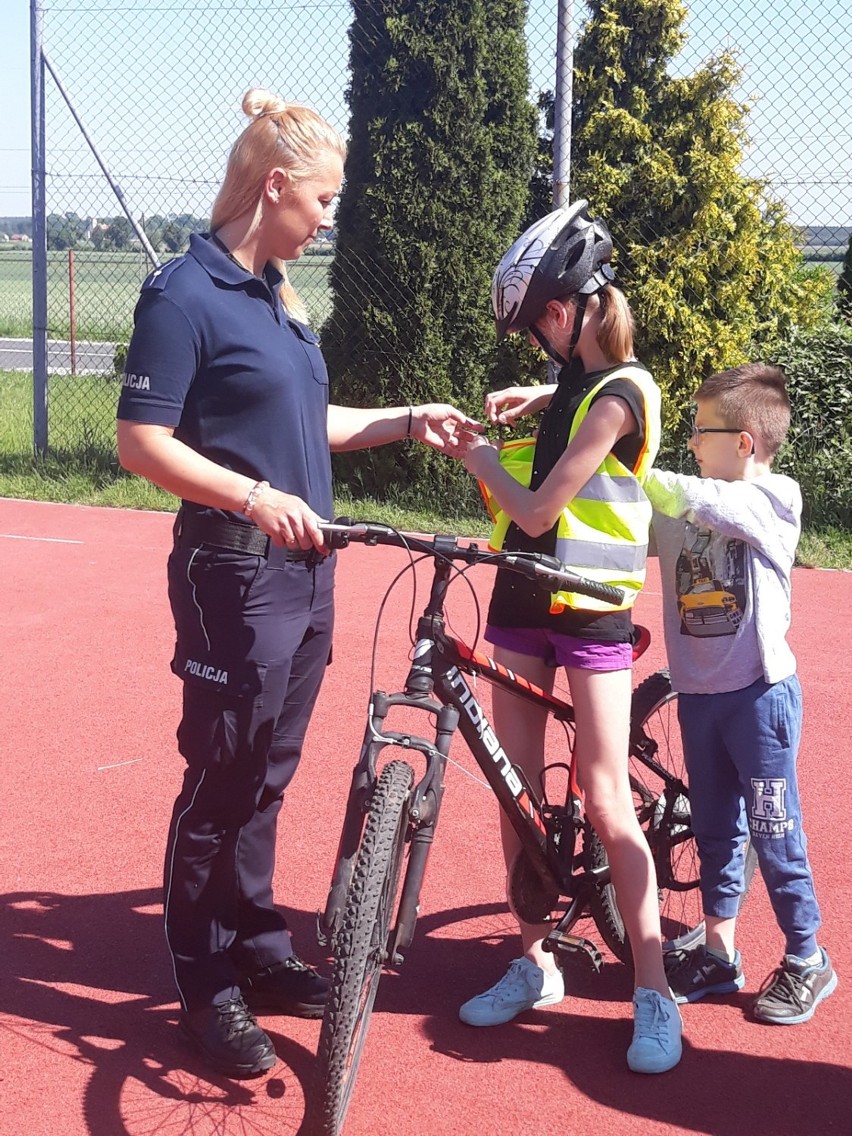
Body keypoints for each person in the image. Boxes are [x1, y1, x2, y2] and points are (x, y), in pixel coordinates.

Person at [116, 88, 479, 1079]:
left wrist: (412, 417)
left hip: (308, 574)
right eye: (321, 198)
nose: (328, 216)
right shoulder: (182, 294)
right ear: (274, 185)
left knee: (269, 773)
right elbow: (141, 441)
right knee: (223, 773)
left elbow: (302, 424)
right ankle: (204, 975)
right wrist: (250, 496)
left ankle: (259, 945)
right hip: (233, 572)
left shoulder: (281, 297)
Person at [452, 201, 682, 1074]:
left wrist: (476, 454)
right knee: (515, 788)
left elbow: (544, 505)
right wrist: (539, 393)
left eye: (537, 328)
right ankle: (533, 961)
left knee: (601, 789)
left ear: (565, 312)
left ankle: (654, 989)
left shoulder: (627, 392)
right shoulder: (578, 384)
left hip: (590, 609)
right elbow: (575, 395)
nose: (536, 344)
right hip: (520, 599)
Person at [645, 363, 837, 1023]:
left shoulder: (773, 500)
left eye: (702, 432)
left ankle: (807, 958)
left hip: (759, 698)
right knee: (715, 830)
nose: (692, 443)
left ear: (745, 442)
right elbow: (636, 519)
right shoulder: (687, 505)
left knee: (775, 830)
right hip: (699, 699)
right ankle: (720, 953)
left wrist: (635, 464)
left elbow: (694, 499)